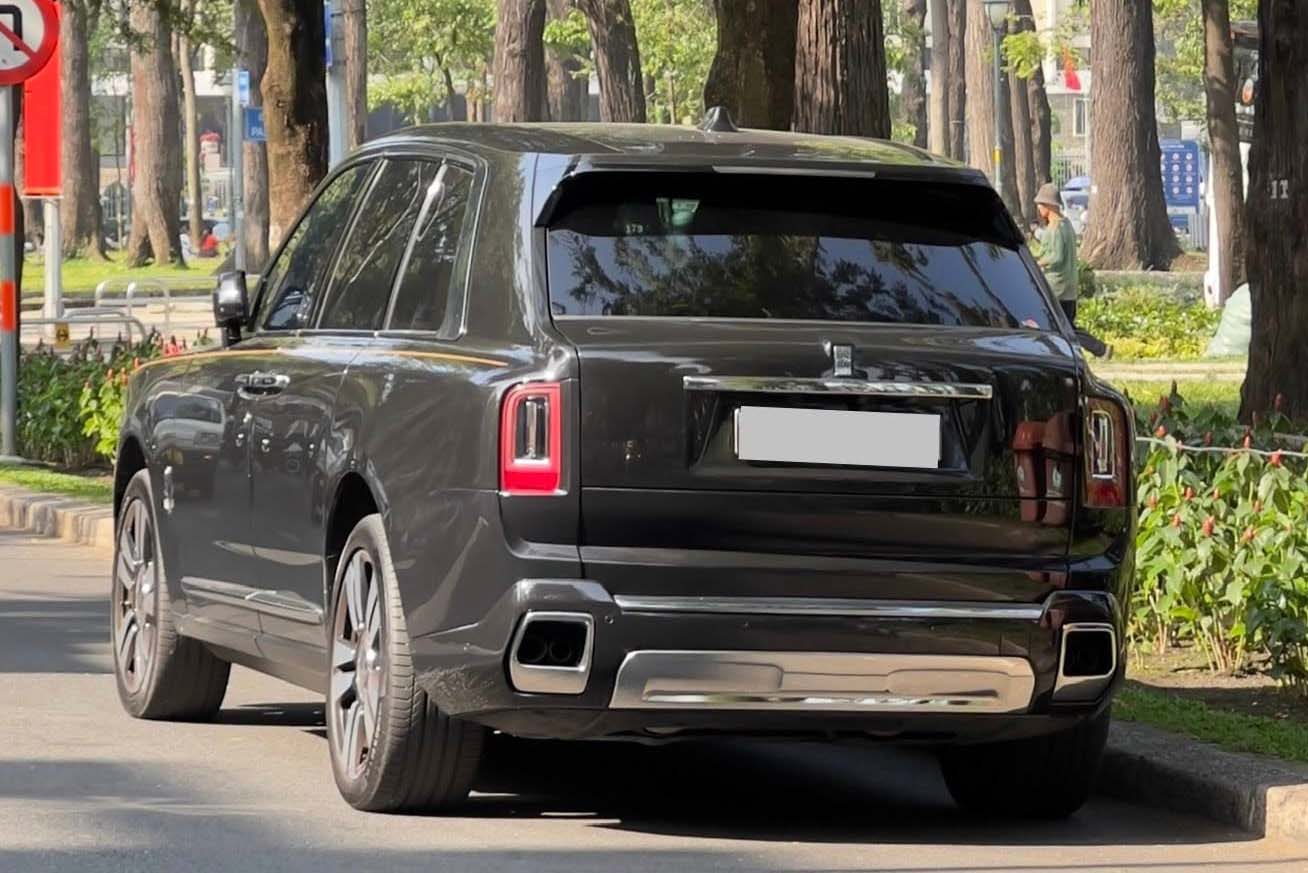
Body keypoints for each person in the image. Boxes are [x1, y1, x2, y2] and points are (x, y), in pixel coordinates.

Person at [1033, 183, 1109, 358]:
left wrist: (1038, 262)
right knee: (1066, 325)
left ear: (1049, 205)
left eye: (1040, 205)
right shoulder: (1066, 224)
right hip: (1069, 285)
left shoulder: (1055, 229)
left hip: (1056, 286)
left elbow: (1056, 256)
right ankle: (1092, 350)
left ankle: (1099, 349)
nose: (1038, 208)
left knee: (1053, 323)